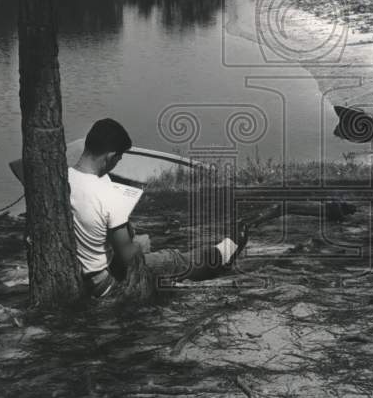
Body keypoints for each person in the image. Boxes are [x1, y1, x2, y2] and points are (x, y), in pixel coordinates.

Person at [69, 118, 248, 300]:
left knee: (147, 247)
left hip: (87, 269)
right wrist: (138, 245)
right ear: (109, 156)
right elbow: (128, 259)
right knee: (171, 258)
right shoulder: (108, 195)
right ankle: (219, 257)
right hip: (107, 281)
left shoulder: (64, 178)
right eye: (118, 159)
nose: (116, 164)